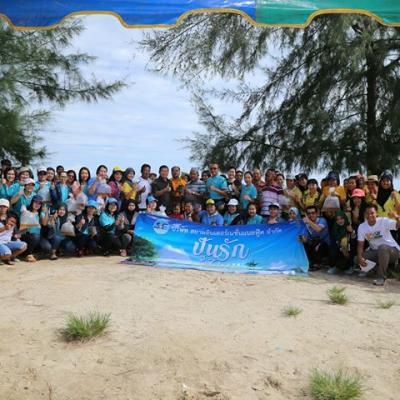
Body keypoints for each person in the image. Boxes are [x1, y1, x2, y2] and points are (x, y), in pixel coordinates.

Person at [357, 204, 400, 286]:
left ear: (376, 213)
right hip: (376, 252)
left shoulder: (383, 221)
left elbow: (398, 225)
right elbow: (360, 244)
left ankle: (381, 277)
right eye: (367, 213)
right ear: (364, 214)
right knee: (357, 259)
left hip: (393, 251)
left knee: (382, 247)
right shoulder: (362, 227)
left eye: (372, 213)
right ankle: (381, 270)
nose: (370, 215)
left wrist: (396, 217)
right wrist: (360, 257)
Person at [20, 195, 54, 262]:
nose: (37, 204)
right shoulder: (26, 211)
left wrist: (46, 212)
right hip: (26, 235)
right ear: (32, 202)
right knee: (35, 236)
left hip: (38, 236)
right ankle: (28, 254)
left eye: (39, 203)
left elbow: (44, 223)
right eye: (35, 202)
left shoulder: (40, 213)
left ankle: (33, 256)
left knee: (48, 248)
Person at [300, 206, 330, 270]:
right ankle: (309, 261)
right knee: (304, 244)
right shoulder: (306, 224)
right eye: (309, 213)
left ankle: (318, 263)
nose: (311, 215)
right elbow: (306, 240)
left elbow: (318, 229)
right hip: (313, 243)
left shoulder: (322, 220)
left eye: (313, 213)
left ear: (317, 213)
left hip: (325, 244)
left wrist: (308, 221)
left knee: (318, 244)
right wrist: (302, 238)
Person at [328, 211, 354, 275]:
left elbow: (355, 240)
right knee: (333, 251)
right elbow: (333, 242)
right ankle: (335, 267)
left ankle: (350, 266)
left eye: (341, 218)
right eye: (337, 219)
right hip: (339, 250)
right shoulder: (335, 228)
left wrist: (352, 232)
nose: (340, 221)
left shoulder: (349, 226)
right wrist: (340, 244)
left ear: (345, 218)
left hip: (348, 251)